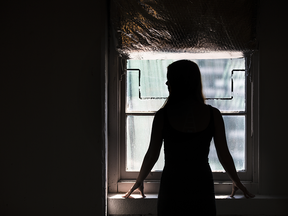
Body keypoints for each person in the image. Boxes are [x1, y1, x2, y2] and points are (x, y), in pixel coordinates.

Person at [123, 60, 254, 215]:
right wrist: (237, 181)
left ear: (176, 83)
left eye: (169, 79)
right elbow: (224, 155)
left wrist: (139, 180)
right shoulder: (213, 115)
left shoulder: (163, 116)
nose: (166, 82)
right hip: (201, 185)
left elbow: (152, 154)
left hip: (172, 186)